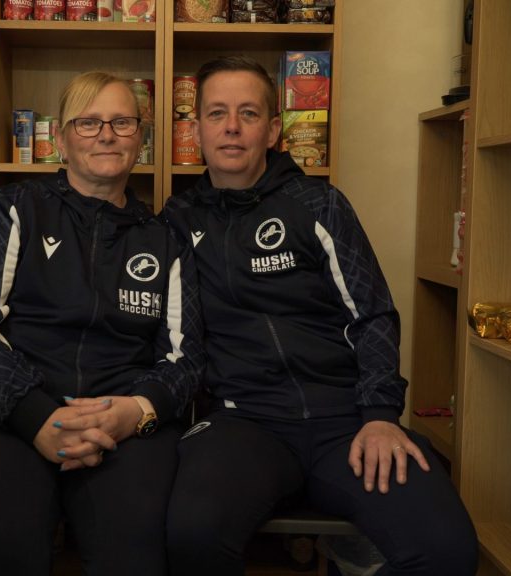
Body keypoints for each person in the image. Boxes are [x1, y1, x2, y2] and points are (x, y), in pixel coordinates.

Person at [163, 56, 478, 575]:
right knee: (192, 533)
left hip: (346, 422)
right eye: (217, 113)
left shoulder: (318, 205)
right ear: (196, 129)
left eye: (248, 112)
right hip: (244, 423)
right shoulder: (176, 221)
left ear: (272, 129)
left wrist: (379, 415)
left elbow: (373, 312)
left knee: (446, 550)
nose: (232, 126)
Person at [0, 71, 203, 576]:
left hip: (118, 425)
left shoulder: (164, 239)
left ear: (141, 137)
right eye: (88, 123)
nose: (106, 134)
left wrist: (134, 410)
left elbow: (187, 357)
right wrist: (38, 417)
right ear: (61, 140)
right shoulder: (13, 209)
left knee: (133, 549)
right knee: (11, 538)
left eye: (122, 122)